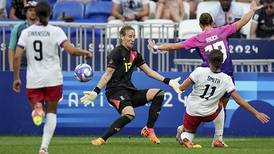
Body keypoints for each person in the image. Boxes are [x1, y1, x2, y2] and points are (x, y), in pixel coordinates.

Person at [148, 0, 258, 147]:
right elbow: (243, 21)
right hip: (226, 74)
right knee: (219, 108)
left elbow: (175, 46)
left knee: (211, 107)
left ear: (200, 25)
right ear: (213, 23)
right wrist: (252, 9)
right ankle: (211, 137)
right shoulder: (222, 30)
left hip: (209, 74)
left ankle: (190, 131)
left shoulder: (198, 38)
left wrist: (156, 46)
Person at [80, 25, 181, 146]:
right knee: (129, 114)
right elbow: (107, 74)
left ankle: (149, 129)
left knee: (159, 93)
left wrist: (168, 81)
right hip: (115, 92)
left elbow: (149, 72)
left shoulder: (135, 54)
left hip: (129, 91)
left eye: (134, 37)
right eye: (130, 36)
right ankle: (102, 139)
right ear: (122, 37)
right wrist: (96, 91)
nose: (132, 39)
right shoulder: (116, 53)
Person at [12, 1, 92, 154]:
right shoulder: (56, 31)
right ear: (50, 14)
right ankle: (44, 148)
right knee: (52, 112)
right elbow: (71, 51)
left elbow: (16, 57)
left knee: (38, 105)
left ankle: (37, 106)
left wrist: (16, 77)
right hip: (53, 78)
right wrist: (86, 53)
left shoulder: (26, 32)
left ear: (35, 13)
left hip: (33, 78)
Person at [176, 49, 270, 148]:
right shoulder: (227, 79)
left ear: (208, 61)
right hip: (210, 113)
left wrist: (176, 85)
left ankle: (185, 138)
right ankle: (218, 139)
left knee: (189, 133)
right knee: (220, 105)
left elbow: (182, 88)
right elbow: (239, 100)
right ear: (222, 62)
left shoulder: (199, 71)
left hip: (192, 111)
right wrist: (257, 113)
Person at [8, 1, 37, 71]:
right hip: (21, 68)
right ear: (25, 13)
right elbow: (11, 49)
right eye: (30, 10)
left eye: (35, 10)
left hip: (39, 68)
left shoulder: (44, 28)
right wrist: (12, 68)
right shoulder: (17, 28)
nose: (33, 13)